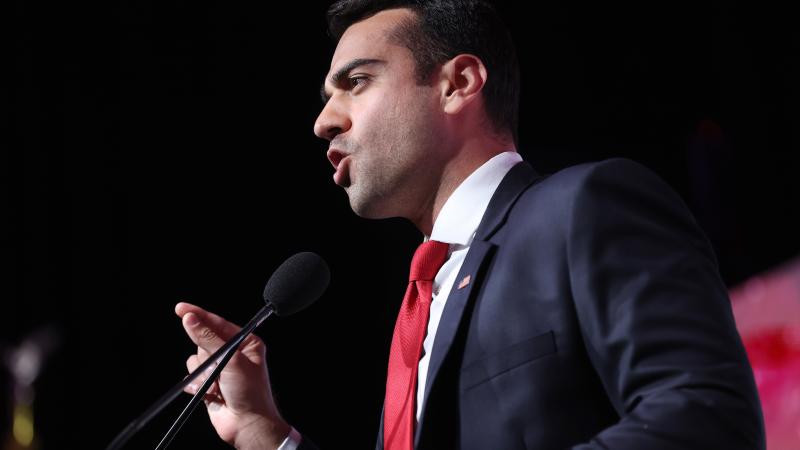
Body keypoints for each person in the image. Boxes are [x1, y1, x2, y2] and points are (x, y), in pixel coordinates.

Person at [175, 1, 765, 449]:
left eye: (355, 82)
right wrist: (265, 434)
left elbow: (707, 418)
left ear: (458, 84)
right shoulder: (424, 300)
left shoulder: (585, 206)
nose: (323, 122)